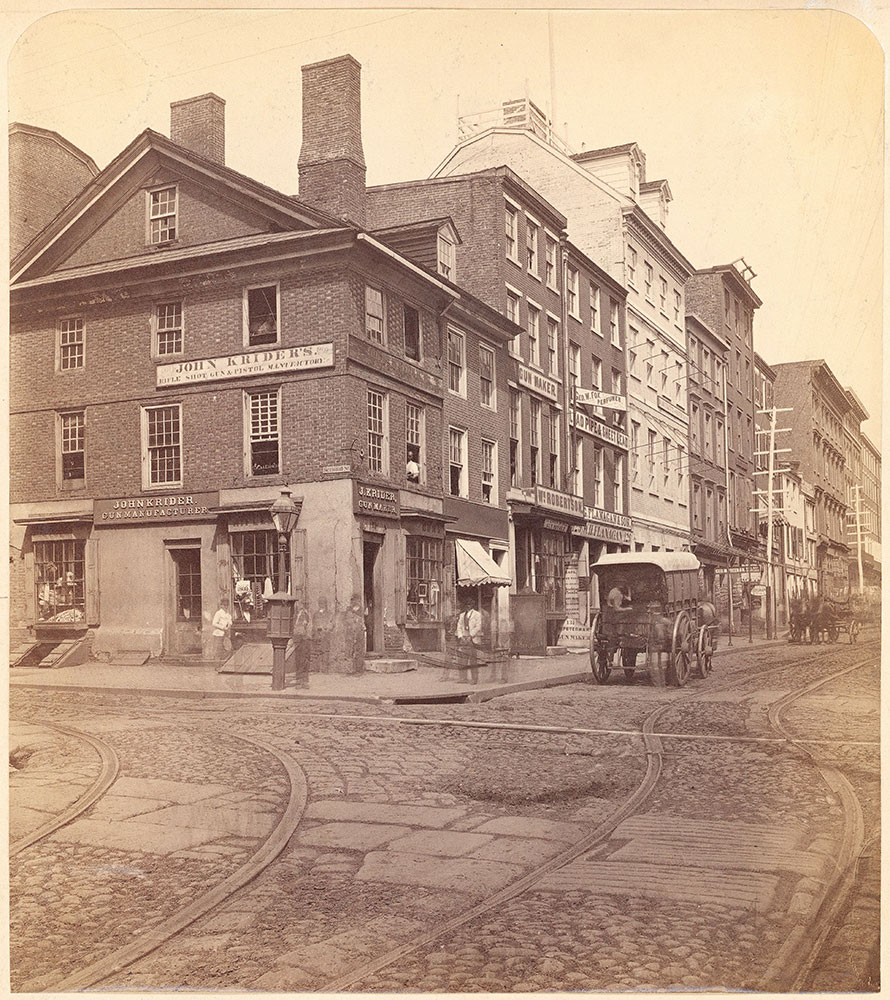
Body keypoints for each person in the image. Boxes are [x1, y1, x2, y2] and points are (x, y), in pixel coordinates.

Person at [210, 598, 233, 665]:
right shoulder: (218, 613)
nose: (226, 606)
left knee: (229, 650)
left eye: (227, 605)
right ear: (221, 605)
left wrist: (229, 625)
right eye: (224, 605)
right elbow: (214, 623)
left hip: (225, 634)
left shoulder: (228, 614)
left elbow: (230, 622)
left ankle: (224, 663)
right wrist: (222, 627)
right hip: (218, 634)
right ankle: (217, 666)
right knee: (218, 650)